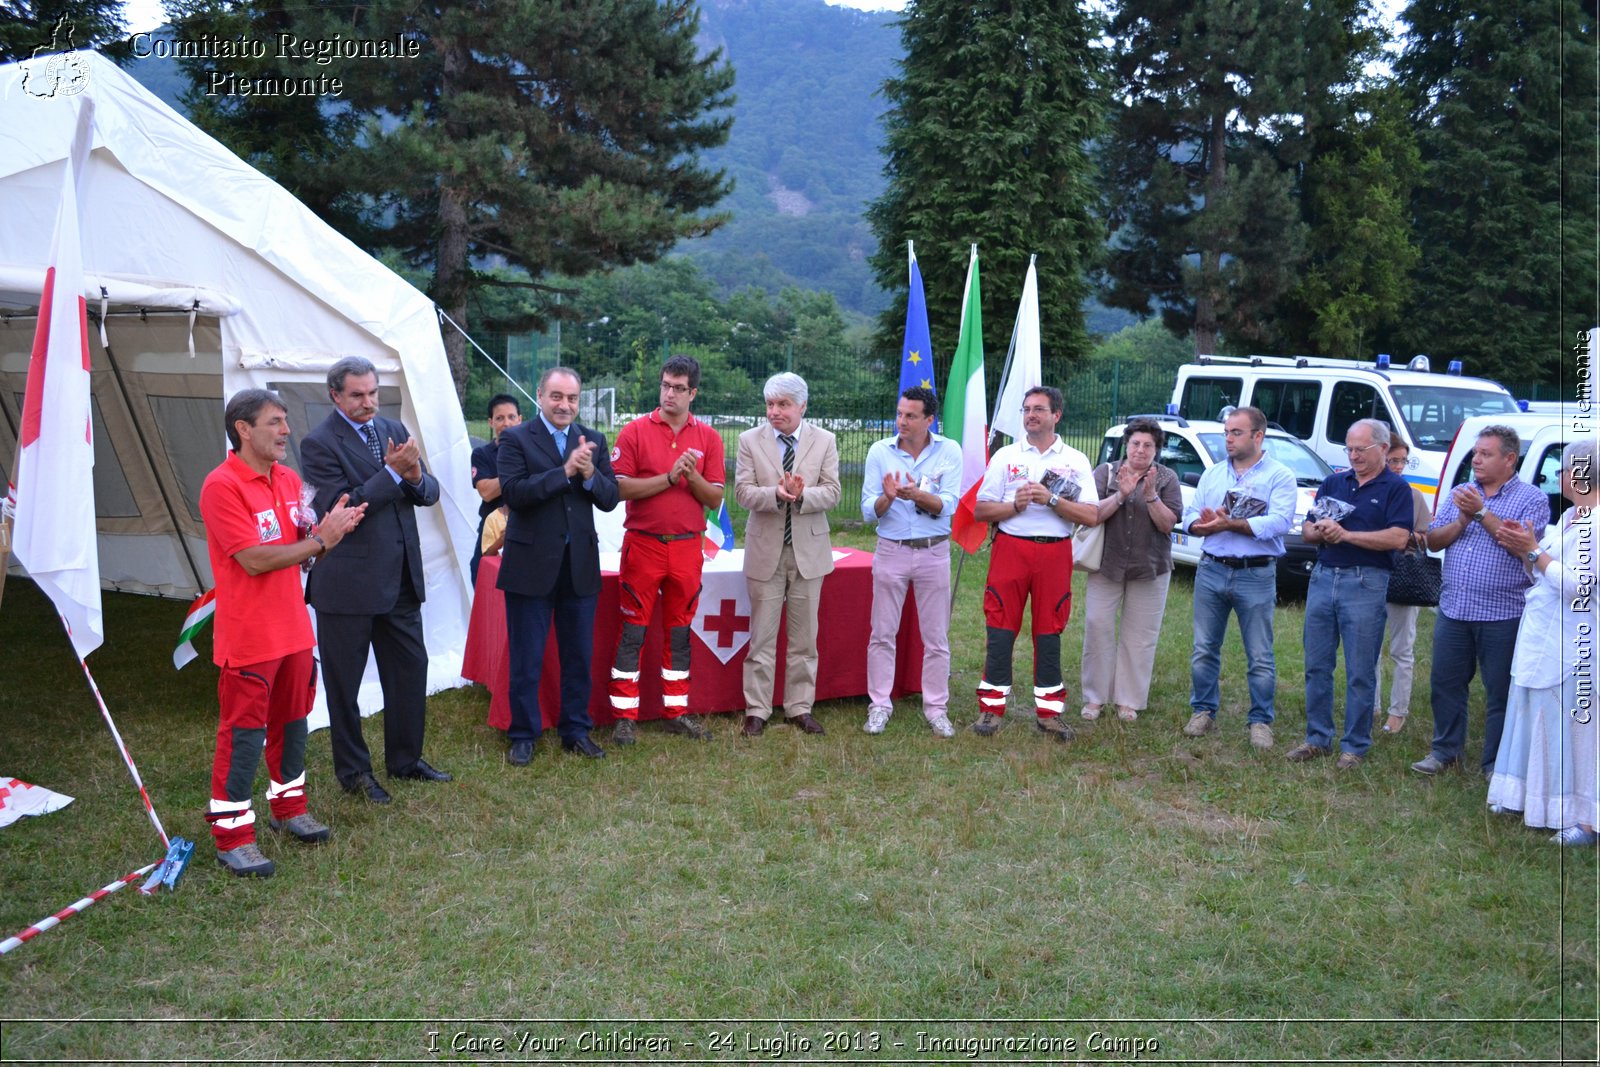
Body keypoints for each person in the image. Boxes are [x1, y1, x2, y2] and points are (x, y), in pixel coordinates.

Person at [199, 389, 365, 877]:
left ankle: (288, 808)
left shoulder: (290, 479)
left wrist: (329, 537)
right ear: (243, 429)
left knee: (293, 725)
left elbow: (302, 554)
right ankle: (232, 835)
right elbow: (252, 560)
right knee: (244, 735)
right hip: (249, 636)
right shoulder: (221, 485)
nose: (286, 431)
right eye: (274, 422)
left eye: (285, 421)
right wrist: (320, 539)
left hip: (294, 630)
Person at [302, 357, 451, 804]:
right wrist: (392, 473)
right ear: (335, 396)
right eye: (357, 395)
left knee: (410, 671)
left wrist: (416, 473)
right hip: (347, 585)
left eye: (373, 393)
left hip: (402, 577)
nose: (369, 402)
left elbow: (428, 494)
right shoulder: (318, 443)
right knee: (345, 686)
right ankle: (355, 774)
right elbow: (344, 508)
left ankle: (405, 760)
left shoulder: (392, 428)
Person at [496, 367, 620, 764]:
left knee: (579, 655)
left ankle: (575, 730)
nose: (564, 405)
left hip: (579, 564)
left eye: (571, 398)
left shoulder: (595, 440)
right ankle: (523, 733)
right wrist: (565, 471)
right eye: (556, 397)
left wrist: (588, 475)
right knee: (527, 656)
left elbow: (609, 497)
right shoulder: (515, 438)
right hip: (531, 563)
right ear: (540, 395)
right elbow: (515, 493)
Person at [1412, 426, 1550, 777]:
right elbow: (1434, 542)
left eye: (1485, 454)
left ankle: (1495, 765)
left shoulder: (1532, 498)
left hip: (1502, 613)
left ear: (1509, 458)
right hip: (1455, 608)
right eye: (1475, 453)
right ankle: (1445, 751)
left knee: (1499, 692)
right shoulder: (1462, 492)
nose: (1476, 459)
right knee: (1445, 684)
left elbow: (1517, 543)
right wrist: (1461, 519)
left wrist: (1479, 513)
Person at [606, 355, 726, 744]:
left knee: (679, 632)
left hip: (688, 548)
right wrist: (668, 477)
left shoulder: (709, 438)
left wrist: (690, 477)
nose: (669, 394)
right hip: (644, 544)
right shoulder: (635, 431)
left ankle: (676, 712)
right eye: (665, 386)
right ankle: (625, 717)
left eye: (678, 388)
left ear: (693, 392)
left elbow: (714, 499)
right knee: (632, 632)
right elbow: (620, 488)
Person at [971, 386, 1101, 741]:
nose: (1031, 415)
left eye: (1039, 409)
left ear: (1056, 415)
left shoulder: (1075, 460)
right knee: (999, 627)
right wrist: (1014, 505)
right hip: (1011, 549)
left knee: (1049, 631)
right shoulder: (1005, 457)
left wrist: (1053, 499)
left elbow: (1091, 515)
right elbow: (981, 510)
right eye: (1026, 409)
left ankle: (1049, 714)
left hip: (1055, 553)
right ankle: (991, 709)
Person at [1487, 439, 1599, 844]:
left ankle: (1583, 820)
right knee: (1533, 719)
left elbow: (1579, 587)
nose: (1560, 477)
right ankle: (1525, 795)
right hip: (1541, 633)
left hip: (1574, 642)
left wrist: (1533, 550)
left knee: (1572, 731)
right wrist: (1527, 548)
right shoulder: (1569, 517)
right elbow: (1542, 571)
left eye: (1566, 469)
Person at [1286, 418, 1414, 768]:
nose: (1354, 456)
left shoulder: (1395, 488)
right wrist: (1319, 531)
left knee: (1360, 668)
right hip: (1324, 576)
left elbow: (1399, 538)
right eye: (1350, 449)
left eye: (1361, 449)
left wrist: (1347, 536)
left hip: (1365, 580)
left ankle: (1355, 746)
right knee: (1317, 664)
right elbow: (1308, 527)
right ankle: (1317, 738)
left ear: (1384, 449)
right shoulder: (1334, 481)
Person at [1179, 406, 1297, 748]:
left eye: (1236, 433)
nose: (1228, 439)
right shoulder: (1214, 474)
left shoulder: (1279, 476)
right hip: (1211, 568)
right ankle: (1203, 711)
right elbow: (1189, 515)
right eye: (1227, 432)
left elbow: (1279, 523)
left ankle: (1260, 720)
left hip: (1255, 573)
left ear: (1258, 436)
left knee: (1260, 653)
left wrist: (1232, 524)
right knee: (1204, 648)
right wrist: (1199, 524)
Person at [734, 371, 841, 737]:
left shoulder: (824, 441)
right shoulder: (749, 440)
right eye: (770, 404)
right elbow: (743, 492)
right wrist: (775, 494)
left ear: (802, 406)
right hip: (766, 549)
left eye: (783, 405)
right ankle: (757, 710)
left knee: (804, 638)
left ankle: (799, 707)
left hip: (808, 551)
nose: (774, 412)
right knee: (761, 637)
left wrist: (802, 495)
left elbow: (833, 492)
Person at [859, 386, 963, 737]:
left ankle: (936, 708)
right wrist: (888, 499)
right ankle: (879, 706)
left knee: (936, 637)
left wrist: (917, 493)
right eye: (900, 413)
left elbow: (949, 504)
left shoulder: (949, 451)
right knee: (882, 633)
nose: (901, 421)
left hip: (934, 551)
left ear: (929, 419)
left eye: (911, 415)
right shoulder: (880, 451)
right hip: (891, 549)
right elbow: (867, 511)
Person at [1078, 417, 1182, 724]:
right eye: (1136, 443)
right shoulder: (1106, 472)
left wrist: (1150, 495)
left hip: (1151, 568)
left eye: (1148, 445)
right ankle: (1095, 698)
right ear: (1126, 444)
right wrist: (1121, 495)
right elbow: (1091, 516)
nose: (1141, 450)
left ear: (1156, 449)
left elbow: (1167, 524)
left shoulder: (1166, 478)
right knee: (1097, 627)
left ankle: (1128, 700)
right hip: (1106, 565)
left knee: (1140, 637)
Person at [1378, 440, 1433, 734]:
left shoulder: (1412, 495)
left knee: (1402, 647)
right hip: (1370, 575)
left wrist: (1405, 537)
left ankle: (1397, 710)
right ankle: (1371, 705)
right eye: (1392, 461)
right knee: (1368, 647)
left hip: (1403, 576)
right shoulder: (1369, 490)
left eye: (1402, 461)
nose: (1398, 467)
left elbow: (1426, 535)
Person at [470, 394, 522, 585]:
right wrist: (521, 471)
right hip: (491, 531)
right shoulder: (481, 454)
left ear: (520, 419)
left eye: (511, 417)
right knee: (481, 577)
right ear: (491, 422)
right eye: (499, 418)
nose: (506, 423)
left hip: (525, 528)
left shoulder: (533, 450)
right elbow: (486, 491)